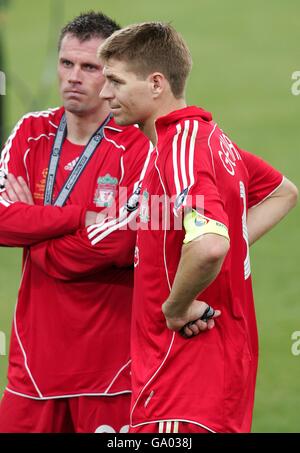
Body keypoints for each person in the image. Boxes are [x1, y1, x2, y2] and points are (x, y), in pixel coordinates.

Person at [98, 22, 298, 433]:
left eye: (115, 82)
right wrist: (224, 249)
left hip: (185, 378)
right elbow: (283, 193)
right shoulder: (208, 139)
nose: (105, 94)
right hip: (201, 378)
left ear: (156, 83)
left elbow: (208, 246)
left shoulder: (181, 150)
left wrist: (174, 307)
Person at [0, 12, 150, 433]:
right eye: (66, 63)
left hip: (109, 373)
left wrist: (36, 234)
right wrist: (81, 218)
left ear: (113, 74)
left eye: (89, 67)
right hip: (32, 367)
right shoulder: (31, 132)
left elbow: (119, 245)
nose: (73, 77)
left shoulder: (137, 143)